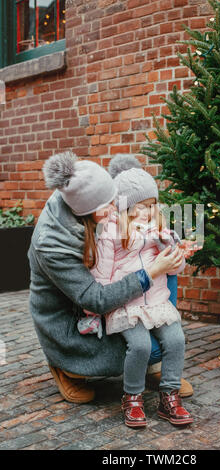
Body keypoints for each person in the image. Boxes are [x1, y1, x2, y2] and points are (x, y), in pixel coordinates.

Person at [27, 151, 194, 405]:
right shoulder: (51, 245)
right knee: (139, 347)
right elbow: (94, 299)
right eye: (108, 207)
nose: (115, 210)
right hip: (76, 316)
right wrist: (149, 273)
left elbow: (144, 235)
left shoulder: (84, 192)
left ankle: (151, 365)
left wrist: (171, 246)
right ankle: (66, 366)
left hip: (108, 294)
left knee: (164, 271)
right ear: (87, 212)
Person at [77, 155, 193, 428]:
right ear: (125, 207)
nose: (147, 213)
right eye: (140, 207)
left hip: (156, 301)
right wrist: (93, 311)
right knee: (139, 346)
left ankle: (169, 396)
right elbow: (102, 276)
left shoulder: (159, 230)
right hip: (125, 305)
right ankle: (132, 398)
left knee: (176, 340)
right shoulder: (110, 234)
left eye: (152, 206)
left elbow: (175, 270)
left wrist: (175, 251)